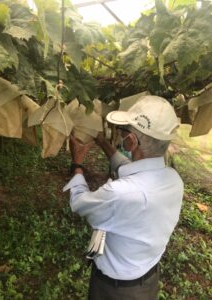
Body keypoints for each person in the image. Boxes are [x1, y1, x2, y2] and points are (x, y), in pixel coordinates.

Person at [63, 95, 184, 300]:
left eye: (122, 131)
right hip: (148, 280)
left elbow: (79, 202)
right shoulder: (174, 180)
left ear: (130, 141)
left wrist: (77, 164)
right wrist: (103, 142)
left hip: (115, 291)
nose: (119, 135)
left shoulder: (120, 193)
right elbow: (128, 169)